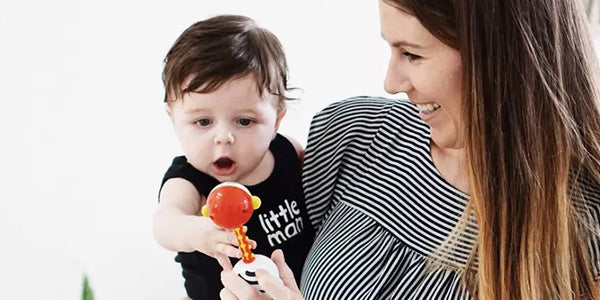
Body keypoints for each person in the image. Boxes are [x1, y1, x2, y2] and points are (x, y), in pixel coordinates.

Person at [219, 0, 600, 299]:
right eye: (390, 48)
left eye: (412, 54)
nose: (391, 82)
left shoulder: (584, 228)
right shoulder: (354, 134)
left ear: (502, 57)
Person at [152, 15, 315, 300]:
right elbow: (165, 224)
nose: (223, 136)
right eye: (203, 122)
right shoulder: (188, 180)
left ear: (276, 120)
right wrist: (199, 233)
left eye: (244, 121)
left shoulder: (289, 152)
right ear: (173, 119)